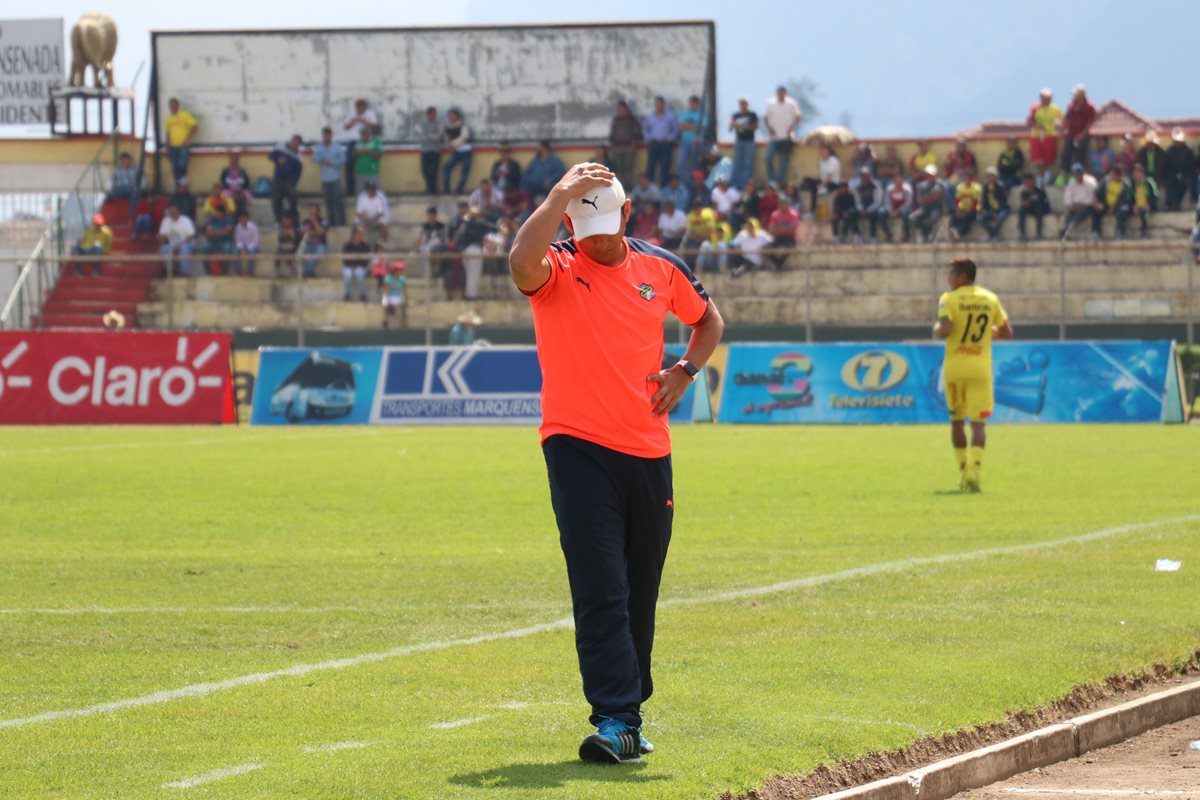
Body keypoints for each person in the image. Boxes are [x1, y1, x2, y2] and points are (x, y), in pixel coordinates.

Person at [506, 162, 724, 764]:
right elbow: (520, 262)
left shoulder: (661, 267)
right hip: (575, 447)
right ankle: (616, 717)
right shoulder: (557, 267)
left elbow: (709, 321)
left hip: (649, 452)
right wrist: (557, 196)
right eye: (583, 226)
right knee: (601, 584)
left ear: (627, 215)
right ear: (569, 224)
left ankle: (630, 710)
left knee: (639, 591)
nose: (595, 239)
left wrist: (685, 371)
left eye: (605, 225)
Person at [934, 257, 1013, 493]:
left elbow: (945, 330)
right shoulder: (990, 298)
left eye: (951, 275)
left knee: (957, 421)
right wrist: (988, 331)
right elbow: (1007, 333)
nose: (949, 279)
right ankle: (974, 471)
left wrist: (937, 327)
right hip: (980, 369)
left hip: (955, 369)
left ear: (962, 276)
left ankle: (962, 472)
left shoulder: (948, 299)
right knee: (978, 424)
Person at [341, 98, 381, 195]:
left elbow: (375, 126)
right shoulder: (351, 114)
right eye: (357, 107)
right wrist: (353, 121)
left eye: (361, 107)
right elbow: (346, 127)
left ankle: (368, 190)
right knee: (349, 166)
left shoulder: (369, 113)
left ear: (364, 107)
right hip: (352, 142)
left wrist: (363, 121)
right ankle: (351, 190)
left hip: (365, 141)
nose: (359, 109)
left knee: (364, 165)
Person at [763, 85, 802, 186]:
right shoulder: (770, 103)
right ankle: (772, 180)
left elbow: (798, 117)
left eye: (782, 92)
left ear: (785, 93)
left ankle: (780, 181)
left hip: (786, 136)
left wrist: (792, 127)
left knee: (783, 161)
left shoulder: (791, 103)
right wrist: (770, 129)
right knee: (768, 158)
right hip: (773, 137)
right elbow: (765, 118)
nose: (780, 94)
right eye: (779, 92)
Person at [312, 127, 347, 226]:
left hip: (335, 177)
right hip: (325, 178)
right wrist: (321, 160)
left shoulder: (337, 147)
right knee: (328, 202)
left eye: (328, 134)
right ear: (322, 135)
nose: (326, 136)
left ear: (331, 135)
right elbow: (314, 158)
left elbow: (343, 159)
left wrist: (333, 162)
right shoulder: (319, 147)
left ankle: (340, 222)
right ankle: (331, 222)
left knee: (338, 202)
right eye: (325, 134)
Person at [1060, 84, 1097, 179]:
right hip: (1071, 134)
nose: (1075, 97)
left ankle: (1077, 175)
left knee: (1080, 156)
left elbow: (1090, 122)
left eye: (1077, 95)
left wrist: (1082, 135)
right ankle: (1064, 174)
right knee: (1066, 154)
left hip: (1083, 135)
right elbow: (1067, 119)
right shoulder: (1071, 105)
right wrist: (1063, 129)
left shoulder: (1090, 107)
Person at [642, 97, 678, 187]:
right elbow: (645, 129)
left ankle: (664, 187)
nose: (659, 106)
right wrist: (647, 138)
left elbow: (675, 129)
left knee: (665, 166)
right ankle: (650, 188)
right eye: (657, 104)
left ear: (663, 105)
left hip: (665, 144)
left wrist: (670, 138)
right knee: (651, 166)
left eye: (660, 104)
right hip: (653, 143)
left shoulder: (670, 116)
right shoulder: (650, 116)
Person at [1026, 88, 1061, 180]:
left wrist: (1059, 127)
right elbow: (1029, 122)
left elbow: (1061, 120)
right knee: (1037, 159)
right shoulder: (1034, 108)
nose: (1047, 100)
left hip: (1050, 135)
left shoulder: (1055, 108)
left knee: (1048, 158)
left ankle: (1046, 175)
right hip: (1036, 136)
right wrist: (1037, 125)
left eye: (1049, 98)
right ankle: (1041, 175)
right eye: (1045, 98)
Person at [1059, 163, 1099, 240]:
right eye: (1076, 174)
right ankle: (1065, 230)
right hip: (1075, 206)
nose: (1078, 176)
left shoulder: (1090, 182)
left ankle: (1070, 228)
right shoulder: (1071, 184)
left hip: (1088, 206)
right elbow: (1067, 199)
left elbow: (1093, 198)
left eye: (1079, 173)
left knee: (1081, 212)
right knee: (1069, 213)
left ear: (1083, 172)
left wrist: (1082, 205)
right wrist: (1073, 206)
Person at [269, 134, 304, 224]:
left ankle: (294, 219)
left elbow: (298, 172)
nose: (294, 143)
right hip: (278, 178)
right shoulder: (280, 147)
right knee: (276, 200)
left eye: (297, 142)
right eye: (293, 141)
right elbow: (270, 156)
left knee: (293, 197)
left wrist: (292, 183)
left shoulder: (299, 156)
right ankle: (278, 220)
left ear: (299, 144)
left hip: (289, 181)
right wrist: (277, 160)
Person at [609, 101, 642, 187]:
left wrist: (633, 143)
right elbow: (612, 134)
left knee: (628, 168)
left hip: (629, 147)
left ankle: (628, 186)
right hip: (617, 147)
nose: (622, 112)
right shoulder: (616, 120)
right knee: (618, 168)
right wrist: (612, 145)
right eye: (620, 110)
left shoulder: (632, 120)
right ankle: (619, 186)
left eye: (624, 110)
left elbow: (638, 133)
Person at [908, 164, 944, 244]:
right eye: (927, 175)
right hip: (924, 208)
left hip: (936, 208)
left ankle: (929, 235)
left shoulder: (940, 184)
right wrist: (931, 197)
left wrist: (928, 198)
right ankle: (916, 237)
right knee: (912, 218)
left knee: (932, 218)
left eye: (931, 175)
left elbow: (937, 197)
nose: (929, 176)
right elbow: (921, 200)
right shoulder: (921, 185)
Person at [164, 97, 197, 182]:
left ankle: (182, 185)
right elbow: (167, 133)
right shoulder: (168, 118)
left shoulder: (184, 115)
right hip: (172, 147)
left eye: (174, 105)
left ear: (178, 106)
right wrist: (166, 146)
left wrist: (188, 139)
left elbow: (194, 126)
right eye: (171, 106)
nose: (172, 107)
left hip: (183, 146)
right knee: (175, 168)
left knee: (182, 166)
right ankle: (177, 187)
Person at [442, 108, 474, 195]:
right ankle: (446, 189)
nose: (451, 117)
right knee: (447, 168)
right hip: (456, 152)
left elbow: (464, 137)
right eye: (449, 116)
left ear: (457, 116)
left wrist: (453, 144)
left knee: (465, 170)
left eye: (453, 115)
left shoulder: (463, 125)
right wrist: (448, 145)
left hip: (466, 151)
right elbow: (446, 139)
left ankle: (459, 190)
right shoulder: (448, 127)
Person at [158, 204, 196, 275]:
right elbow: (162, 235)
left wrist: (180, 243)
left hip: (185, 242)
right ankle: (170, 271)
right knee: (164, 249)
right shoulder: (166, 220)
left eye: (174, 211)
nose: (173, 213)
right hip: (170, 242)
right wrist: (165, 239)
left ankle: (184, 272)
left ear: (178, 212)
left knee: (185, 249)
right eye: (171, 212)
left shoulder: (185, 220)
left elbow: (191, 235)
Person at [729, 97, 758, 189]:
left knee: (747, 164)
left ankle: (744, 184)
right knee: (737, 163)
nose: (743, 105)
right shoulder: (735, 115)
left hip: (749, 142)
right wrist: (733, 124)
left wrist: (742, 126)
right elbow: (730, 128)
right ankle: (735, 184)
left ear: (747, 104)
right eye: (741, 103)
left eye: (744, 103)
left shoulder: (752, 114)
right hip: (739, 141)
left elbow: (755, 127)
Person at [1164, 128, 1196, 212]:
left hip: (1186, 174)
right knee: (1169, 183)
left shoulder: (1188, 151)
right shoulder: (1169, 151)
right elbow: (1167, 167)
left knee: (1184, 183)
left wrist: (1183, 174)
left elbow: (1191, 166)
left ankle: (1177, 203)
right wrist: (1174, 174)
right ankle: (1171, 204)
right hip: (1172, 175)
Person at [676, 95, 706, 178]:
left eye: (693, 103)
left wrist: (687, 125)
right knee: (681, 163)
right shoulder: (684, 114)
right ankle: (683, 182)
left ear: (697, 104)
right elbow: (679, 128)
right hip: (684, 143)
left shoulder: (702, 115)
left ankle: (695, 182)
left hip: (696, 143)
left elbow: (700, 127)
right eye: (690, 103)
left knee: (695, 164)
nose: (691, 105)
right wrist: (693, 126)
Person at [978, 167, 1010, 242]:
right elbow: (985, 201)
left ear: (995, 177)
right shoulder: (986, 187)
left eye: (990, 176)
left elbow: (1004, 202)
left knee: (1000, 218)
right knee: (980, 218)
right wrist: (984, 210)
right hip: (991, 210)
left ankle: (993, 235)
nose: (988, 178)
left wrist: (996, 212)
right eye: (987, 176)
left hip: (1002, 209)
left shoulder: (1001, 186)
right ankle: (993, 234)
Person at [341, 226, 371, 302]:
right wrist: (351, 266)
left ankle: (362, 294)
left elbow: (366, 260)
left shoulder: (365, 246)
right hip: (349, 266)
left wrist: (357, 266)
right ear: (353, 235)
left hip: (362, 267)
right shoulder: (347, 246)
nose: (360, 236)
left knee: (359, 273)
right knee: (347, 274)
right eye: (358, 234)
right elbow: (344, 259)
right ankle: (347, 294)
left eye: (361, 234)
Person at [202, 204, 235, 272]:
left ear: (222, 213)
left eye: (216, 212)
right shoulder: (211, 219)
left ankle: (223, 270)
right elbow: (209, 233)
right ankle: (207, 270)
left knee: (227, 249)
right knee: (203, 248)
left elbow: (228, 232)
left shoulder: (229, 219)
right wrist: (222, 231)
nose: (215, 213)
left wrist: (214, 232)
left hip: (225, 242)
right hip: (212, 242)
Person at [417, 106, 442, 195]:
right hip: (425, 150)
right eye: (432, 114)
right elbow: (422, 136)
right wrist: (431, 135)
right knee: (424, 170)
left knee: (434, 171)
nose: (434, 116)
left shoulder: (438, 123)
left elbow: (438, 137)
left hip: (436, 151)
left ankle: (433, 189)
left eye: (435, 114)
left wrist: (428, 135)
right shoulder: (423, 123)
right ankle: (429, 187)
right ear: (428, 114)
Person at [1016, 173, 1049, 241]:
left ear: (1032, 181)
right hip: (1031, 209)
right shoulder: (1024, 192)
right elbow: (1023, 201)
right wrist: (1025, 203)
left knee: (1038, 207)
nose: (1026, 183)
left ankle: (1039, 233)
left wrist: (1030, 202)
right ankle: (1022, 234)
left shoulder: (1039, 190)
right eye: (1025, 181)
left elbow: (1042, 201)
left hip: (1040, 209)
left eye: (1028, 181)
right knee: (1021, 209)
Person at [353, 126, 384, 197]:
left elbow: (379, 155)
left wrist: (366, 151)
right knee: (360, 195)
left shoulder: (376, 142)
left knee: (378, 194)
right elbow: (353, 156)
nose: (364, 135)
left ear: (369, 134)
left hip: (373, 172)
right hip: (360, 173)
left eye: (365, 133)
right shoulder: (358, 143)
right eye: (362, 134)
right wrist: (356, 152)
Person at [299, 204, 328, 278]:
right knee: (299, 253)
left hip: (319, 244)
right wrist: (310, 232)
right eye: (310, 209)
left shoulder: (323, 221)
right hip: (307, 244)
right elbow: (302, 233)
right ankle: (309, 272)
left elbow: (321, 232)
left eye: (313, 209)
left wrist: (314, 221)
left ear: (318, 211)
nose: (311, 211)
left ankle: (308, 272)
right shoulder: (305, 221)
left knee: (319, 252)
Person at [233, 211, 259, 276]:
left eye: (244, 218)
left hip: (252, 247)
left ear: (248, 219)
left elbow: (255, 241)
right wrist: (241, 248)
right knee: (234, 251)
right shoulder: (237, 227)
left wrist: (247, 248)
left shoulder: (253, 227)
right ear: (239, 219)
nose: (243, 220)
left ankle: (249, 272)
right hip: (242, 247)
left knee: (252, 253)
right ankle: (238, 271)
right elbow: (238, 240)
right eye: (241, 218)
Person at [381, 261, 407, 328]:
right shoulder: (388, 279)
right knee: (385, 302)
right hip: (389, 296)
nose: (401, 272)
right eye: (399, 270)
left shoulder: (402, 279)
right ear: (394, 271)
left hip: (398, 296)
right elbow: (387, 291)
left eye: (401, 270)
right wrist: (390, 301)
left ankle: (403, 320)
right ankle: (385, 319)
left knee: (402, 303)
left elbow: (405, 291)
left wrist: (408, 300)